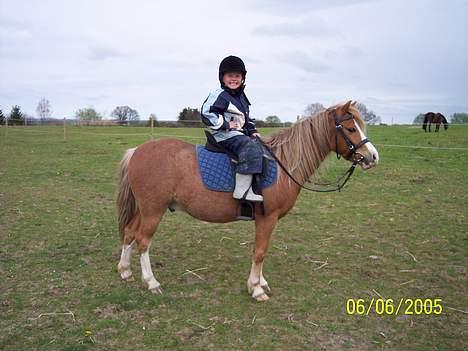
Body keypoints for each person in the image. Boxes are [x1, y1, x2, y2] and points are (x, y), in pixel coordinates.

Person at [201, 56, 264, 202]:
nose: (234, 79)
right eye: (230, 76)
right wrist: (226, 125)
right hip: (224, 135)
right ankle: (242, 191)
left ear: (242, 78)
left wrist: (253, 131)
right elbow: (206, 112)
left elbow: (245, 119)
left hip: (237, 134)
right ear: (222, 78)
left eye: (237, 76)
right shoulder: (219, 94)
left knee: (260, 144)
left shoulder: (241, 97)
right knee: (249, 146)